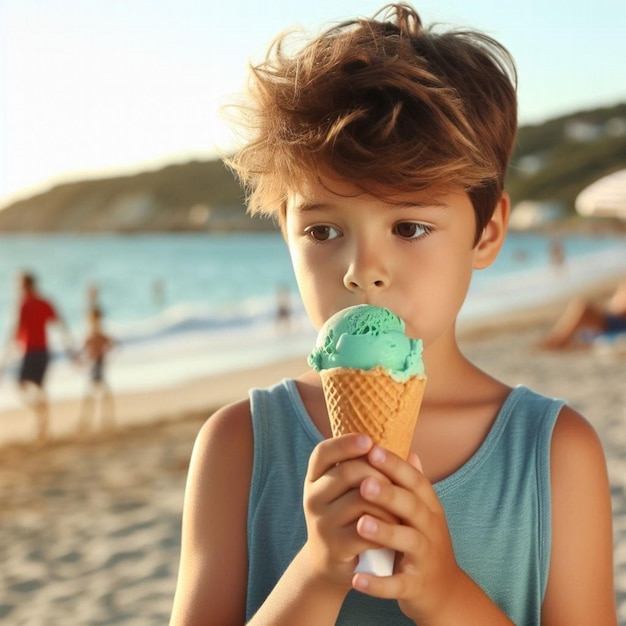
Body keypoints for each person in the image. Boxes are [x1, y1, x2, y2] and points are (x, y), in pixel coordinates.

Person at [169, 5, 617, 625]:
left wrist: (443, 592)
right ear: (285, 233)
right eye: (323, 229)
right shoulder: (239, 446)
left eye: (409, 226)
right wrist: (319, 570)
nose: (362, 268)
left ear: (487, 233)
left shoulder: (555, 454)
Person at [0, 271, 75, 441]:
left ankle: (41, 419)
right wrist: (70, 350)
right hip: (43, 351)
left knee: (21, 385)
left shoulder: (24, 304)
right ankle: (43, 423)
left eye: (19, 284)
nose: (17, 288)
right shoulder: (45, 302)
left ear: (25, 285)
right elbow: (61, 325)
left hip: (31, 351)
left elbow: (15, 331)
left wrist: (4, 359)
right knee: (39, 388)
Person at [539, 279, 626, 349]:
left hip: (615, 322)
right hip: (610, 316)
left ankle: (558, 340)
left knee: (583, 306)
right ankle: (558, 339)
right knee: (581, 306)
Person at [77, 306, 116, 433]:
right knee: (97, 393)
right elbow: (85, 350)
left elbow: (110, 344)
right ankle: (94, 419)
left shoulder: (98, 335)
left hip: (98, 365)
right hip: (95, 365)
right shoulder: (94, 335)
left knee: (96, 393)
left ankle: (102, 418)